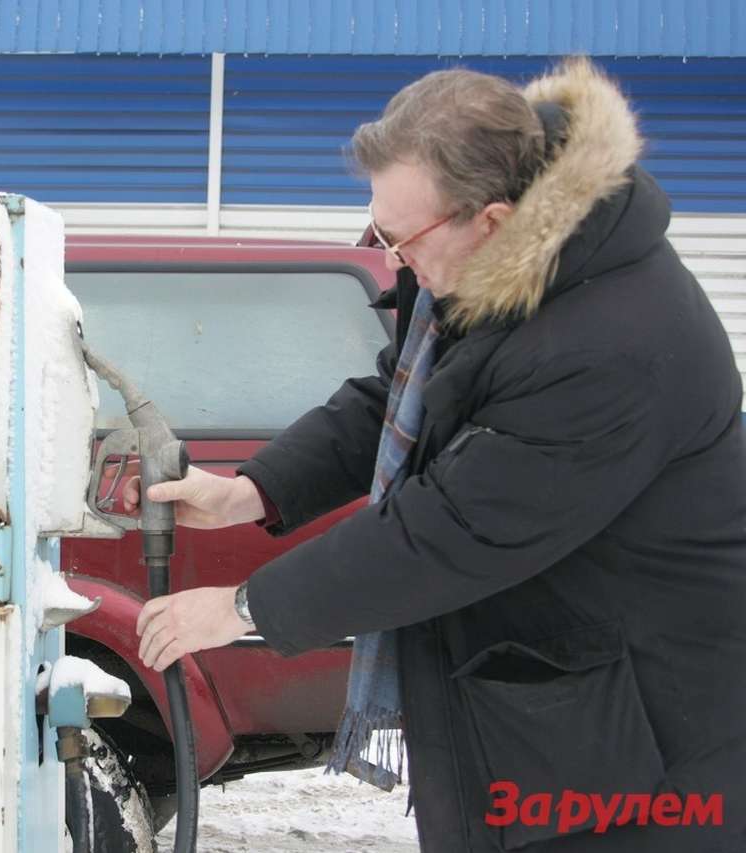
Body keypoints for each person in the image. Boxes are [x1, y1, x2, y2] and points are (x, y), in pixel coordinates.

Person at [128, 59, 746, 852]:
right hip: (545, 704)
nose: (390, 258)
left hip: (644, 751)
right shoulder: (495, 270)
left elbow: (447, 530)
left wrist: (241, 608)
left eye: (400, 238)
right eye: (377, 231)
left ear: (491, 220)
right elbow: (399, 400)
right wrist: (250, 491)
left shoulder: (612, 345)